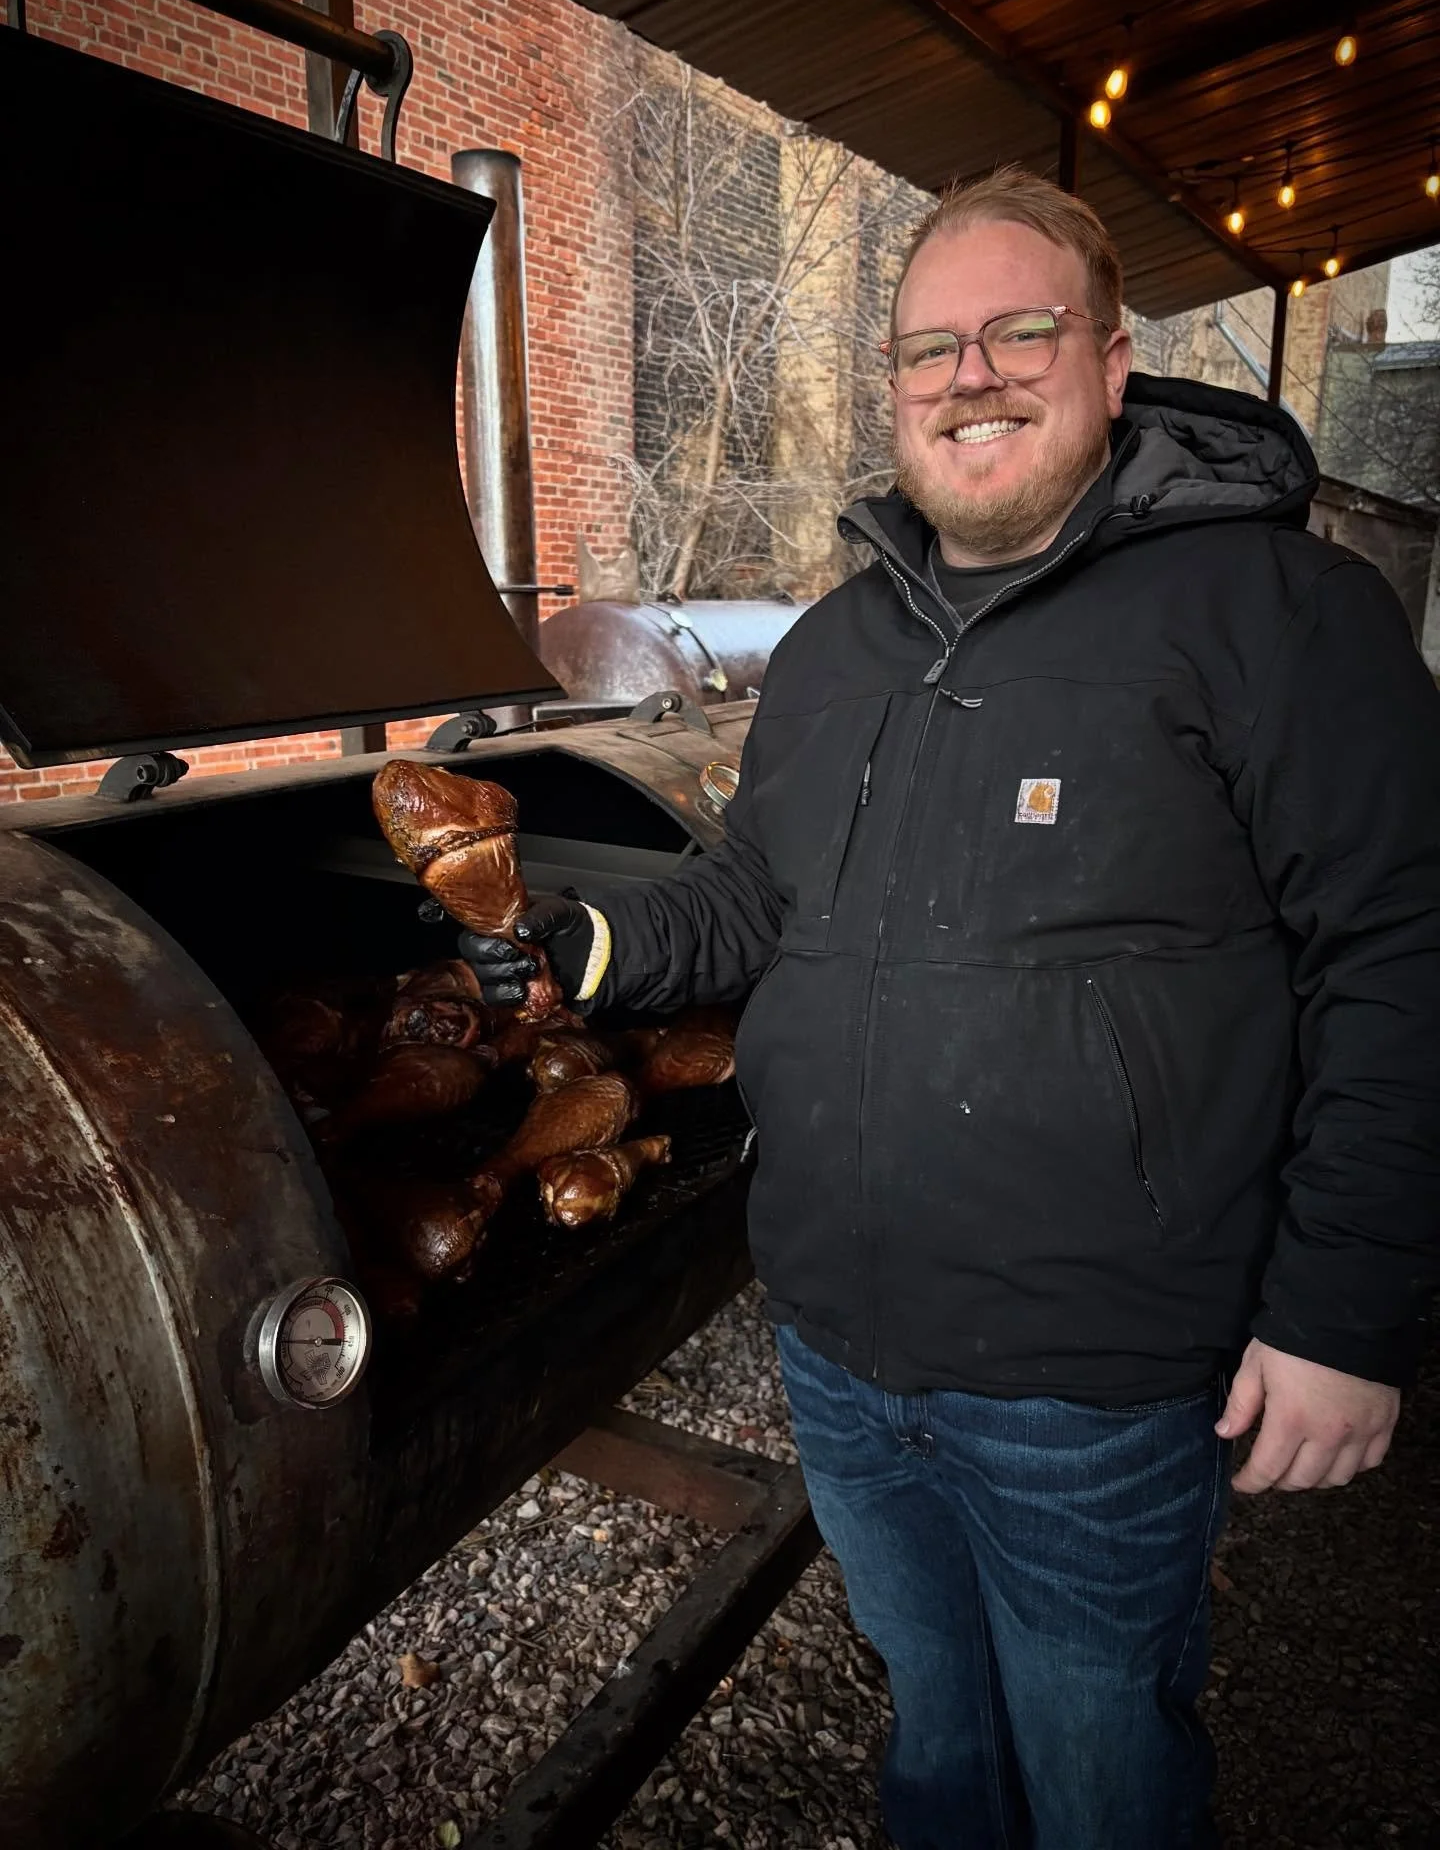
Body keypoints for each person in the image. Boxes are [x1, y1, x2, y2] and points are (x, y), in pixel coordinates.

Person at [461, 167, 1440, 1850]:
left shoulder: (1282, 617)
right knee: (930, 1719)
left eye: (1019, 331)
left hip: (1100, 1376)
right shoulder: (836, 650)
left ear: (1115, 361)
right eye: (930, 348)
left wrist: (1345, 1315)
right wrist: (578, 941)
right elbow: (757, 897)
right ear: (895, 384)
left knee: (1099, 1756)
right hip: (839, 1347)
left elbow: (1404, 955)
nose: (969, 373)